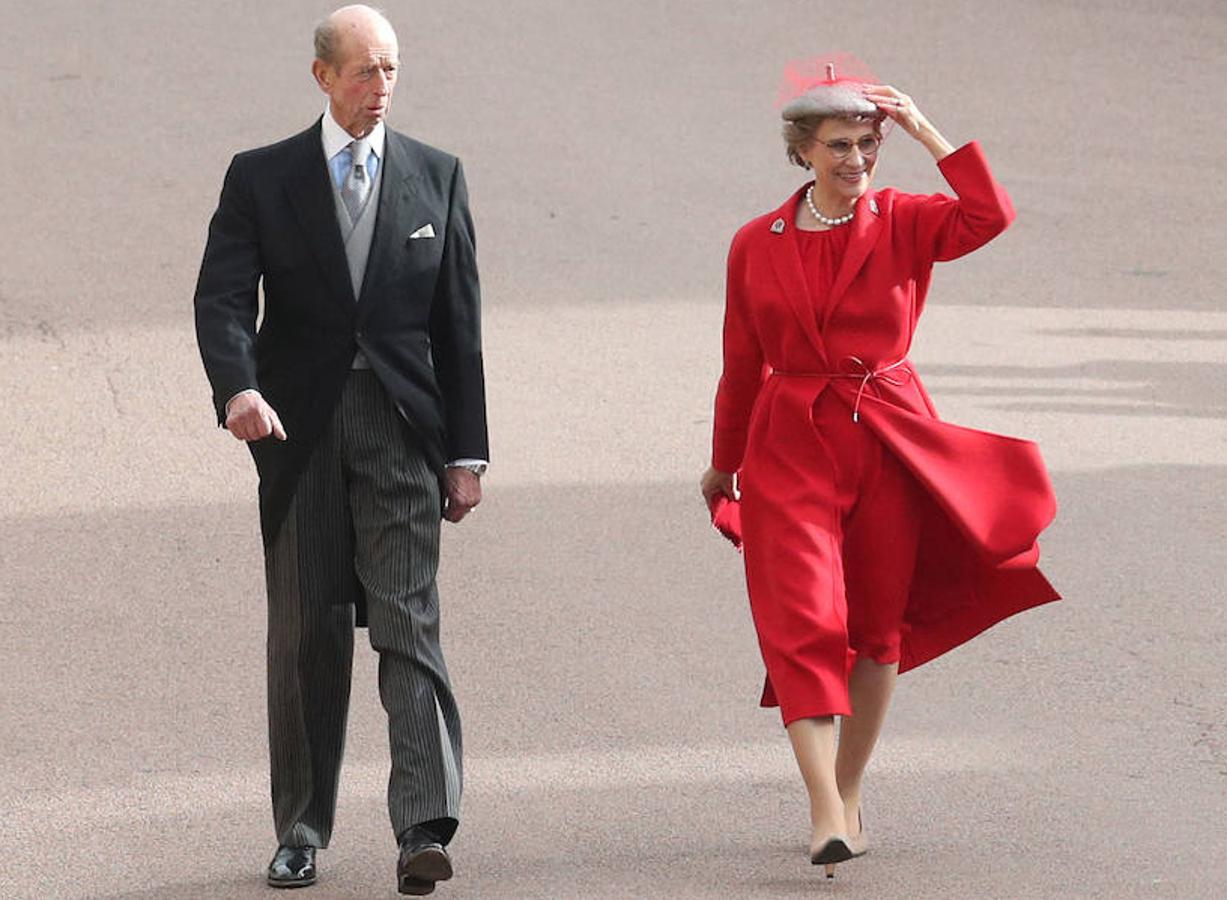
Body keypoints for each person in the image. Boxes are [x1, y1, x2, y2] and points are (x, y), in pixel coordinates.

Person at [700, 57, 1059, 876]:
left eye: (867, 144)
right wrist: (724, 464)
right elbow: (740, 359)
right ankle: (826, 808)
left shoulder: (904, 219)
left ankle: (848, 790)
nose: (855, 159)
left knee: (872, 632)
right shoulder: (756, 243)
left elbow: (988, 214)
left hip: (889, 437)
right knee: (799, 622)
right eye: (838, 145)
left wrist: (926, 130)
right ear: (801, 150)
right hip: (788, 440)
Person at [193, 5, 487, 894]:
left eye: (390, 70)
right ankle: (301, 829)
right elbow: (221, 297)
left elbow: (458, 325)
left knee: (407, 620)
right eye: (363, 72)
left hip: (402, 430)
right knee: (308, 631)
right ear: (322, 76)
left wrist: (466, 453)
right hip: (299, 431)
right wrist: (239, 388)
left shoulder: (435, 175)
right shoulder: (262, 176)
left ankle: (422, 828)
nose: (379, 88)